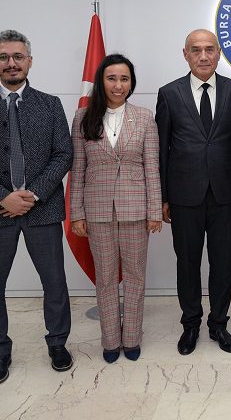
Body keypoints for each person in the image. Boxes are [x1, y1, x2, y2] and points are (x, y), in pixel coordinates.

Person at [0, 29, 74, 385]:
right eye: (4, 57)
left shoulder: (50, 104)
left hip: (43, 210)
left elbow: (63, 154)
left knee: (54, 281)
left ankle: (58, 343)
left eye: (18, 56)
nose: (12, 63)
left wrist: (32, 195)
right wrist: (2, 197)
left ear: (29, 61)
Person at [156, 29, 231, 355]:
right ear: (185, 54)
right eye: (196, 50)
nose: (203, 56)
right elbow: (162, 150)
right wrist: (163, 198)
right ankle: (191, 324)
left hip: (225, 195)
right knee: (188, 264)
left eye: (210, 49)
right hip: (184, 196)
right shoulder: (169, 93)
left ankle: (219, 323)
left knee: (223, 264)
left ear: (219, 53)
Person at [69, 54, 162, 363]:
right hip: (97, 211)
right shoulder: (83, 117)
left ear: (131, 82)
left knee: (135, 276)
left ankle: (132, 337)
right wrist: (77, 213)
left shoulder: (144, 117)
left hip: (136, 209)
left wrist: (154, 210)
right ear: (101, 81)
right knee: (106, 277)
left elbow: (152, 167)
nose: (118, 85)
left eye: (124, 79)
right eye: (112, 78)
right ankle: (110, 340)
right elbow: (77, 169)